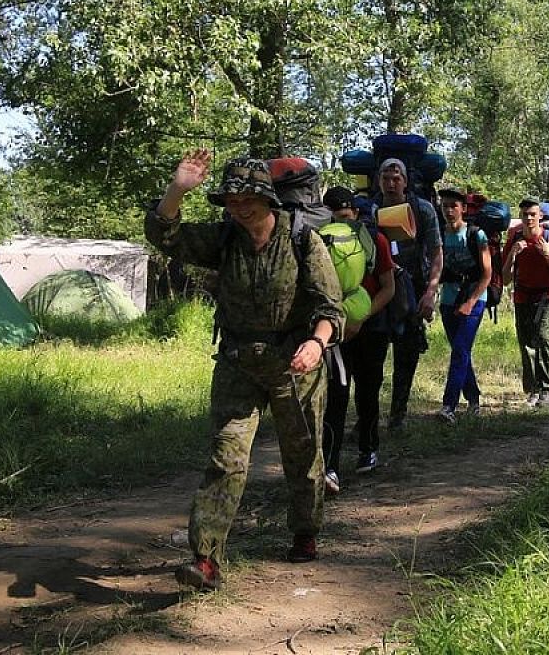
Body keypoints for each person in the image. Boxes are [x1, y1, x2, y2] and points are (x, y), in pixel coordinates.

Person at [146, 151, 344, 589]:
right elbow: (167, 236)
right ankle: (206, 558)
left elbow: (330, 305)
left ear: (267, 199)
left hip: (296, 363)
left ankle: (305, 531)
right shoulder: (224, 239)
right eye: (230, 201)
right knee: (226, 457)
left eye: (245, 199)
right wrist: (177, 189)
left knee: (303, 455)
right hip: (239, 363)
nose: (237, 208)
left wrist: (317, 342)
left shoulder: (301, 240)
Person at [320, 187, 394, 493]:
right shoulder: (320, 241)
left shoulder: (375, 241)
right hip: (337, 332)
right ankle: (330, 466)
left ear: (357, 214)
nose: (343, 222)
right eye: (336, 217)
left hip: (371, 329)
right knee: (335, 397)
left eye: (346, 216)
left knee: (367, 392)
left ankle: (368, 448)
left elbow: (388, 288)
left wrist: (360, 318)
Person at [376, 158, 443, 431]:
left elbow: (437, 251)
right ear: (378, 180)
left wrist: (431, 291)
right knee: (372, 354)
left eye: (396, 178)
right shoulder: (369, 209)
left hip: (412, 289)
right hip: (378, 290)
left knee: (406, 354)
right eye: (386, 178)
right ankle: (369, 413)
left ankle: (398, 414)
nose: (391, 184)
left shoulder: (422, 210)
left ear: (405, 181)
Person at [503, 198, 549, 407]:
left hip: (548, 296)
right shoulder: (514, 238)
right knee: (526, 342)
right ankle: (533, 389)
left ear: (540, 216)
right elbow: (505, 278)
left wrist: (547, 254)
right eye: (525, 214)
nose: (529, 218)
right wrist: (513, 254)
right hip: (523, 295)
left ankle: (546, 390)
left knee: (544, 337)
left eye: (533, 214)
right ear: (520, 216)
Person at [436, 187, 492, 422]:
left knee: (460, 349)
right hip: (448, 300)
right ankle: (474, 397)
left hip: (475, 299)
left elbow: (487, 274)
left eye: (454, 206)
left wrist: (471, 301)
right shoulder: (438, 234)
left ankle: (448, 405)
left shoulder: (476, 235)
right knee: (461, 351)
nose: (449, 211)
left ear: (463, 209)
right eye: (445, 206)